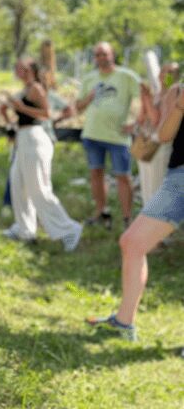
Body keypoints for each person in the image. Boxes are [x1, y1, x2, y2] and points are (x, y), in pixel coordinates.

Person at [87, 80, 184, 341]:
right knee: (132, 243)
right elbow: (164, 135)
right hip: (179, 177)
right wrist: (179, 104)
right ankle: (124, 322)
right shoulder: (180, 88)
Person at [0, 58, 82, 251]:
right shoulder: (25, 89)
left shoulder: (36, 88)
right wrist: (8, 113)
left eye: (23, 67)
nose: (19, 70)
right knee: (18, 184)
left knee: (39, 188)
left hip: (35, 139)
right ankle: (24, 228)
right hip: (23, 138)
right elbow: (21, 118)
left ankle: (68, 229)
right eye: (17, 67)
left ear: (32, 70)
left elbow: (46, 113)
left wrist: (20, 107)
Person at [61, 42, 142, 229]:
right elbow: (78, 108)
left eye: (104, 54)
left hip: (118, 137)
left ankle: (128, 219)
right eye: (97, 55)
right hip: (92, 134)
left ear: (112, 55)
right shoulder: (90, 79)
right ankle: (101, 211)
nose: (101, 58)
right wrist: (89, 98)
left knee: (123, 176)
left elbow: (145, 97)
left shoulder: (126, 76)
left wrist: (136, 122)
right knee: (96, 173)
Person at [135, 62, 179, 206]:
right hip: (146, 141)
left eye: (172, 72)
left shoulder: (175, 92)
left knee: (156, 186)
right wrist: (144, 98)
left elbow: (156, 121)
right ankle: (147, 218)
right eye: (164, 71)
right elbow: (142, 119)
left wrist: (147, 98)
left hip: (160, 144)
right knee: (145, 184)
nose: (167, 75)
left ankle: (157, 221)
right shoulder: (157, 94)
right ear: (159, 75)